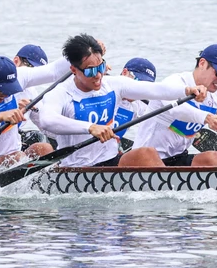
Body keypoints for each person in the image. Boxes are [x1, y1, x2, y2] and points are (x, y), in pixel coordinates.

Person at [30, 34, 208, 168]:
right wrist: (90, 128)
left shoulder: (114, 85)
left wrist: (187, 90)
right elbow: (48, 120)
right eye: (91, 71)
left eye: (101, 67)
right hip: (76, 168)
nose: (98, 75)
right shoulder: (61, 93)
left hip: (110, 161)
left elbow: (156, 89)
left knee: (146, 153)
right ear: (74, 70)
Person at [127, 45, 217, 167]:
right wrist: (208, 118)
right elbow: (177, 110)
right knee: (148, 153)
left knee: (216, 158)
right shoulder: (175, 82)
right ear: (202, 63)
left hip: (178, 158)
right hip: (144, 158)